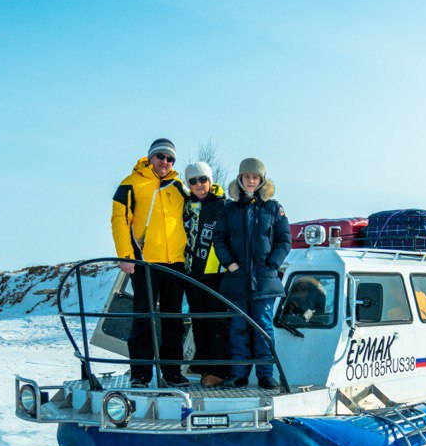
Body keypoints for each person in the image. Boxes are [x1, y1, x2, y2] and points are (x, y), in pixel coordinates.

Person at [111, 138, 190, 387]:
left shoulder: (178, 186)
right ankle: (140, 374)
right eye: (161, 157)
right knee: (144, 317)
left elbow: (199, 202)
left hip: (175, 263)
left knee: (173, 319)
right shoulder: (131, 184)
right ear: (150, 157)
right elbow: (119, 221)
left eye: (170, 159)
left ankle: (172, 372)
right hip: (145, 262)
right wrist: (126, 256)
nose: (165, 162)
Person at [213, 157, 291, 390]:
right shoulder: (230, 208)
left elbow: (284, 240)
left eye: (255, 177)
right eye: (247, 177)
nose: (250, 181)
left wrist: (272, 264)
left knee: (263, 329)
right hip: (237, 280)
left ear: (261, 180)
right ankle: (239, 375)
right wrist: (229, 263)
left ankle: (266, 375)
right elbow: (219, 239)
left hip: (264, 281)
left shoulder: (273, 208)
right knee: (238, 329)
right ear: (240, 178)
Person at [182, 161, 230, 387]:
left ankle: (219, 369)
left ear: (210, 181)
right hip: (193, 273)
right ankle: (202, 364)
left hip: (216, 273)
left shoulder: (223, 205)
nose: (199, 184)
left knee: (216, 322)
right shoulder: (187, 205)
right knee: (198, 320)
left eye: (203, 179)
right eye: (193, 181)